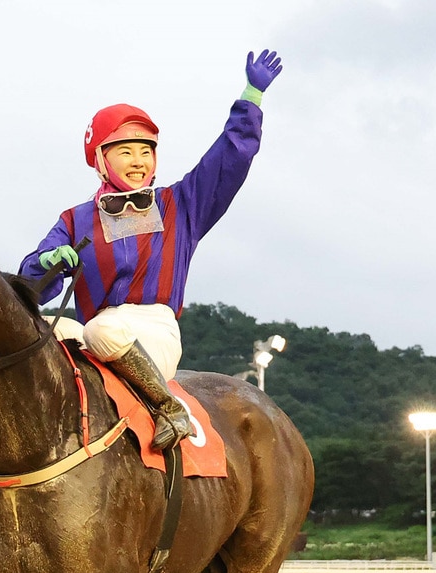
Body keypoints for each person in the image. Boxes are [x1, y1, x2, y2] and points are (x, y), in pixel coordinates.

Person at [19, 49, 283, 449]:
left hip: (150, 330)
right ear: (100, 161)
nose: (138, 161)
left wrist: (251, 98)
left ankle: (169, 407)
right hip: (94, 335)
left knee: (102, 328)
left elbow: (228, 160)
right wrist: (46, 263)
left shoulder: (180, 205)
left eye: (146, 151)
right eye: (125, 151)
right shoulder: (75, 220)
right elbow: (29, 287)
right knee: (48, 333)